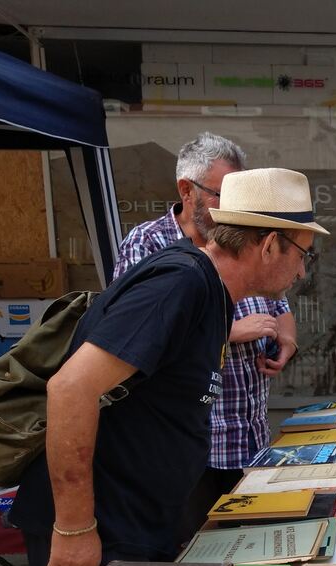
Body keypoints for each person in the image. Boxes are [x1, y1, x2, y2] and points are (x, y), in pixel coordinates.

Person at [8, 167, 326, 566]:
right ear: (270, 243)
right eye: (305, 252)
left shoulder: (210, 293)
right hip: (98, 530)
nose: (304, 269)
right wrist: (75, 525)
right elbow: (71, 389)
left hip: (136, 523)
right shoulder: (181, 283)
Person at [115, 132, 301, 539]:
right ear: (187, 189)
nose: (230, 208)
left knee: (247, 550)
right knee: (194, 555)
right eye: (221, 195)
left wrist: (285, 339)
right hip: (195, 448)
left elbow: (280, 303)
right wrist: (231, 330)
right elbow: (135, 343)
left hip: (248, 435)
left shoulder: (242, 238)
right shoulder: (149, 246)